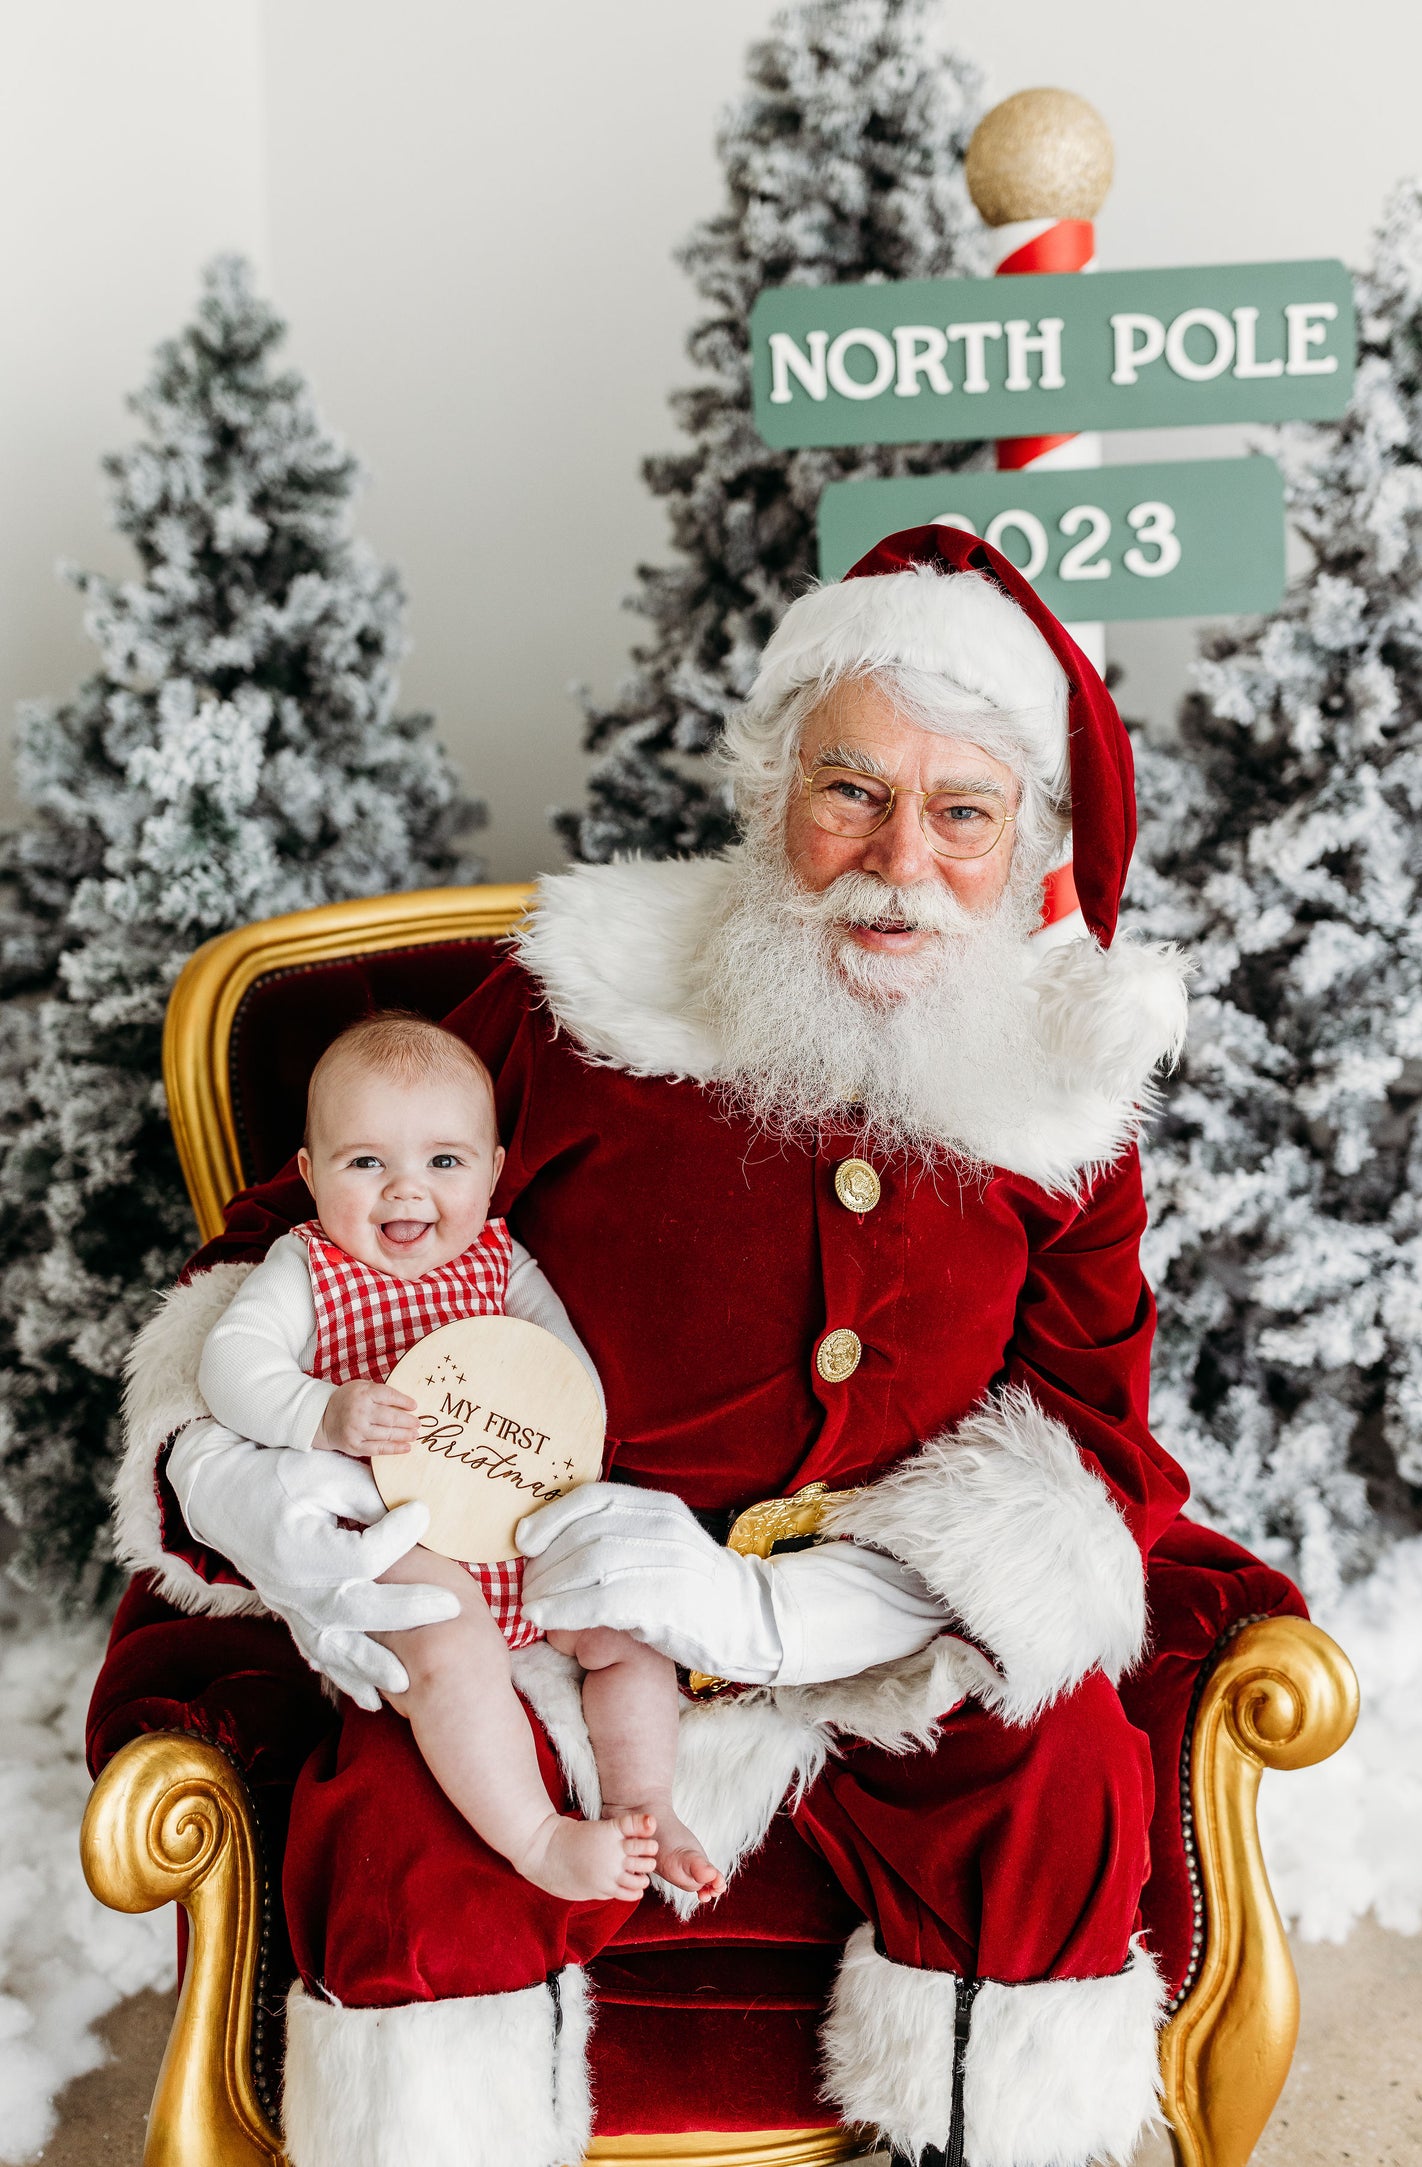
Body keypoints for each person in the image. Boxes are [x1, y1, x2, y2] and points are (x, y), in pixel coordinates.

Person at [115, 528, 1197, 2167]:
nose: (897, 858)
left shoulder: (1061, 1102)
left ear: (1023, 839)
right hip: (544, 1609)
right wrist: (244, 1483)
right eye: (851, 791)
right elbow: (282, 1245)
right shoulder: (580, 1005)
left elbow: (1096, 1444)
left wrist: (774, 1610)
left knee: (1061, 1783)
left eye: (961, 813)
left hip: (883, 1637)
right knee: (410, 1827)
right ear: (770, 790)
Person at [192, 1010, 723, 1904]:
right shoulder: (308, 1266)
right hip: (395, 1528)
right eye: (367, 1163)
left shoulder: (500, 1257)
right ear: (310, 1175)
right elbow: (228, 1365)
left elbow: (566, 1375)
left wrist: (564, 1448)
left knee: (627, 1626)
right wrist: (321, 1411)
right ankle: (537, 1835)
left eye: (444, 1161)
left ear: (493, 1171)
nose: (407, 1191)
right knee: (449, 1632)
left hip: (514, 1511)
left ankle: (645, 1801)